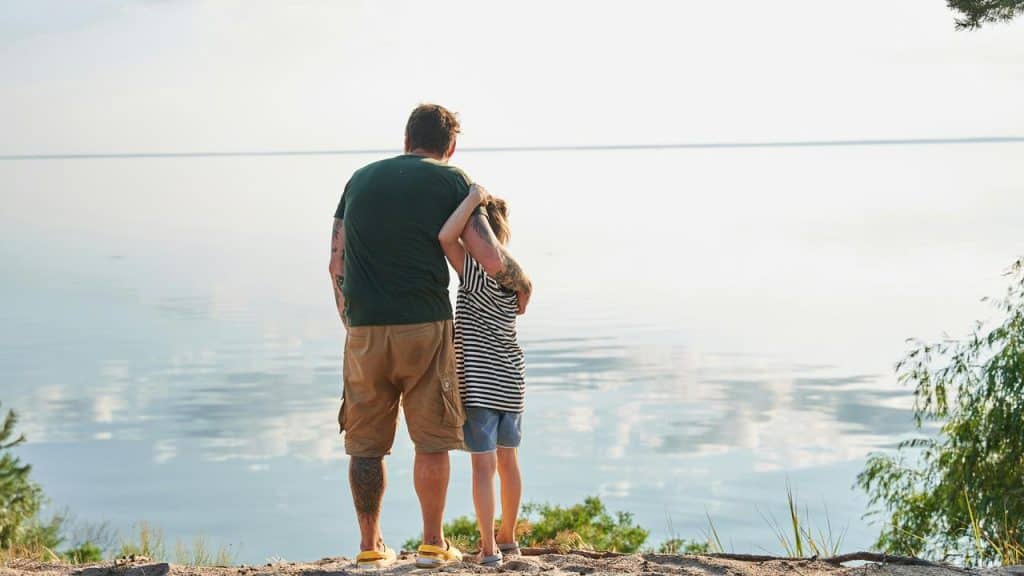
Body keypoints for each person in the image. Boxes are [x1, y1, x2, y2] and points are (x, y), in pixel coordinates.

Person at [328, 104, 532, 569]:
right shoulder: (451, 180)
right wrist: (522, 283)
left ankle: (369, 545)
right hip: (426, 326)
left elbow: (335, 264)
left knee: (365, 446)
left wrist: (350, 321)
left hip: (364, 328)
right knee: (432, 439)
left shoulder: (358, 180)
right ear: (451, 147)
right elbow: (492, 258)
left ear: (406, 139)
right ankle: (432, 542)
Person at [437, 184, 527, 567]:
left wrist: (472, 198)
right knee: (509, 462)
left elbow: (445, 235)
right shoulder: (517, 284)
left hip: (479, 384)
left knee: (482, 466)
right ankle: (508, 538)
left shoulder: (474, 273)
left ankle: (488, 549)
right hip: (511, 380)